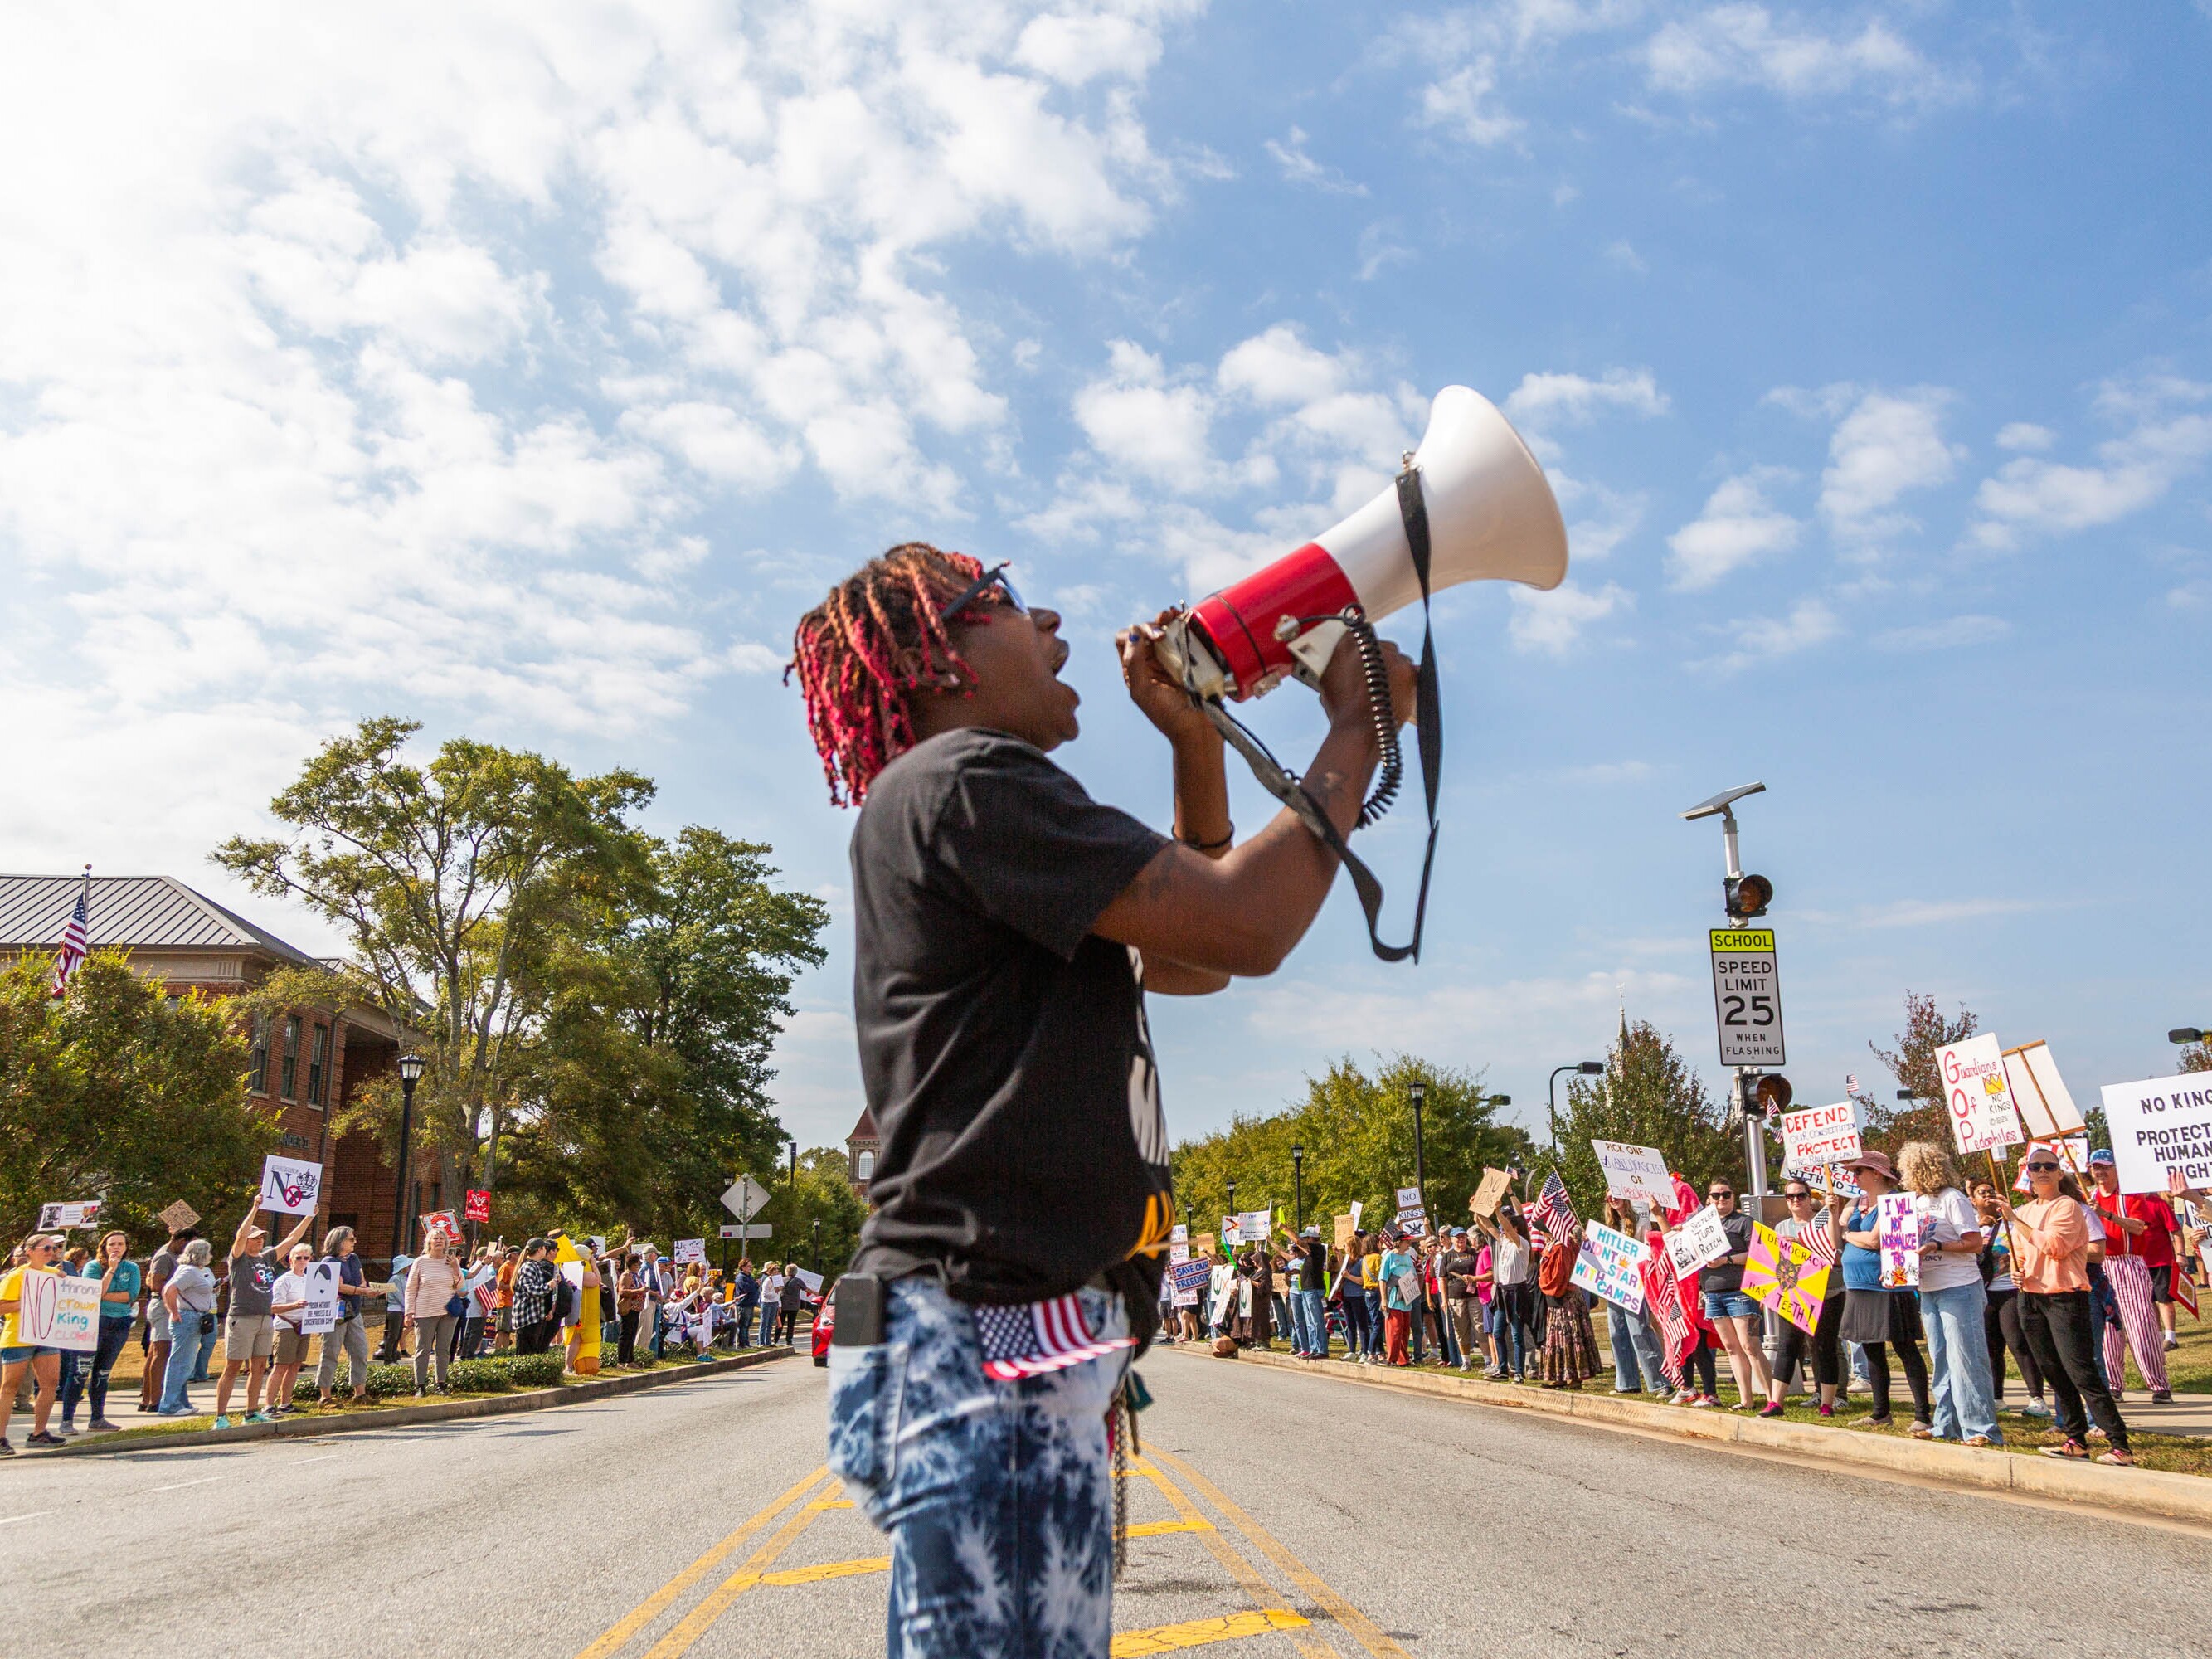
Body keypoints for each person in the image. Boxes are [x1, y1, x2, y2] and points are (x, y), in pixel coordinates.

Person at [802, 542, 1414, 1659]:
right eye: (1003, 603)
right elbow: (1244, 923)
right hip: (983, 1329)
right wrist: (1357, 728)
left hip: (986, 1328)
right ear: (941, 660)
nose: (1050, 621)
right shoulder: (967, 779)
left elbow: (1194, 960)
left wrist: (1194, 743)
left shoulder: (969, 803)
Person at [1995, 1152, 2132, 1465]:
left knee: (2081, 1371)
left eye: (2049, 1167)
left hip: (2064, 1296)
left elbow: (2054, 1247)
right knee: (2052, 1371)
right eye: (2035, 1166)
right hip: (2030, 1297)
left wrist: (2016, 1220)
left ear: (2059, 1174)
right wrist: (2016, 1269)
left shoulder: (2068, 1207)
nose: (2042, 1171)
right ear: (2027, 1173)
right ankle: (2076, 1439)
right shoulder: (2025, 1210)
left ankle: (2119, 1444)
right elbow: (2021, 1253)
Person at [1897, 1142, 2003, 1447]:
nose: (1906, 1175)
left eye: (1908, 1169)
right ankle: (1946, 1424)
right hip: (1928, 1288)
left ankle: (1981, 1427)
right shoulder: (1915, 1203)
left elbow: (1974, 1243)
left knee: (1966, 1359)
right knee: (1941, 1359)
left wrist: (1938, 1246)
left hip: (1959, 1286)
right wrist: (1896, 1268)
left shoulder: (1953, 1199)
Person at [1837, 1151, 1932, 1434]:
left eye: (1858, 1172)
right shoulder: (1856, 1203)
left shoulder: (1897, 1202)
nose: (1854, 1177)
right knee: (1871, 1348)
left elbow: (1874, 1240)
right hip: (1858, 1285)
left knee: (1904, 1348)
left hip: (1889, 1284)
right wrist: (1835, 1213)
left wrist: (1847, 1236)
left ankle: (1922, 1413)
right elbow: (1837, 1233)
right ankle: (1880, 1412)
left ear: (1876, 1174)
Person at [215, 1197, 317, 1429]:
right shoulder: (239, 1260)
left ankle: (251, 1412)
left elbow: (291, 1240)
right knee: (232, 1366)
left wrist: (309, 1216)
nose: (260, 1241)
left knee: (259, 1366)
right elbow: (240, 1237)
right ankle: (221, 1416)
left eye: (261, 1237)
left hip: (265, 1318)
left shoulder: (267, 1258)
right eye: (255, 1238)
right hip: (242, 1318)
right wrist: (255, 1207)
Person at [2085, 1148, 2177, 1400]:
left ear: (2116, 1169)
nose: (2100, 1172)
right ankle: (2114, 1384)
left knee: (2140, 1324)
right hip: (2101, 1265)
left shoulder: (2129, 1196)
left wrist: (2106, 1215)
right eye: (2096, 1168)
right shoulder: (2088, 1197)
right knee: (2107, 1328)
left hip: (2129, 1263)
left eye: (2105, 1167)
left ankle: (2158, 1385)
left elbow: (2139, 1227)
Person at [1685, 1179, 1771, 1409]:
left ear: (1734, 1197)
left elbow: (1757, 1254)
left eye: (1726, 1194)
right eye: (1716, 1195)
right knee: (1732, 1348)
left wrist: (1727, 1260)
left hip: (1740, 1292)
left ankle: (1773, 1400)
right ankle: (1746, 1400)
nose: (1721, 1199)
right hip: (1712, 1293)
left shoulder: (1744, 1222)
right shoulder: (1697, 1225)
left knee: (1750, 1346)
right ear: (1708, 1200)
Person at [1764, 1183, 1846, 1418]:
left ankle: (1827, 1404)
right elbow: (1775, 1261)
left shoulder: (1824, 1220)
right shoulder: (1781, 1226)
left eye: (1801, 1195)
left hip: (1828, 1291)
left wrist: (1832, 1213)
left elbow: (1834, 1248)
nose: (1796, 1200)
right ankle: (1775, 1403)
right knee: (1787, 1346)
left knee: (1825, 1346)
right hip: (1793, 1293)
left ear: (1810, 1198)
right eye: (1790, 1196)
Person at [1971, 1180, 2051, 1418]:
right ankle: (1996, 1397)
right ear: (1973, 1200)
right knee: (1991, 1348)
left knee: (2018, 1343)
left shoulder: (2011, 1223)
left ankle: (2037, 1397)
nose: (1987, 1196)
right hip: (1984, 1292)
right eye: (1981, 1193)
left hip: (2009, 1291)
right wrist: (1977, 1227)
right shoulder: (1971, 1225)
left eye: (1991, 1192)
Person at [58, 1230, 139, 1433]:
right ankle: (67, 1420)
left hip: (120, 1323)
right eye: (112, 1244)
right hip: (94, 1322)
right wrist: (111, 1271)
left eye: (121, 1244)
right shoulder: (94, 1267)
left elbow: (131, 1295)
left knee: (102, 1372)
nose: (116, 1248)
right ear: (104, 1246)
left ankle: (97, 1418)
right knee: (80, 1372)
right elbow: (93, 1293)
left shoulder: (132, 1267)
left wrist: (107, 1295)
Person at [0, 1233, 68, 1452]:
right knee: (10, 1387)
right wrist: (28, 1300)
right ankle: (1, 1437)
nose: (51, 1252)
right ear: (29, 1251)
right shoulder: (16, 1276)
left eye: (53, 1248)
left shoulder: (55, 1275)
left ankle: (39, 1433)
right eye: (45, 1248)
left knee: (50, 1382)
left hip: (46, 1334)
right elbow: (2, 1307)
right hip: (18, 1336)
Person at [158, 1238, 219, 1415]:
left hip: (196, 1317)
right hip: (188, 1318)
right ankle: (169, 1405)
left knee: (187, 1363)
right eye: (208, 1252)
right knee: (180, 1362)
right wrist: (174, 1312)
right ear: (201, 1254)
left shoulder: (193, 1271)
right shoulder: (189, 1272)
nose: (211, 1256)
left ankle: (182, 1402)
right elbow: (169, 1289)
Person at [403, 1226, 466, 1395]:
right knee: (422, 1349)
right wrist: (409, 1312)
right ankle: (420, 1386)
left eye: (441, 1238)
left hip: (448, 1312)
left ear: (446, 1242)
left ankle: (441, 1384)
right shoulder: (420, 1262)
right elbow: (410, 1289)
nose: (438, 1241)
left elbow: (460, 1286)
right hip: (425, 1311)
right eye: (435, 1238)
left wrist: (454, 1268)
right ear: (428, 1242)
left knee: (444, 1349)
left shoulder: (451, 1261)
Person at [315, 1225, 372, 1408]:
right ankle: (325, 1396)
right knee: (330, 1352)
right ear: (339, 1241)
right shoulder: (330, 1261)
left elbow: (361, 1278)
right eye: (351, 1239)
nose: (354, 1241)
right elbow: (337, 1286)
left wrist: (366, 1288)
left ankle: (360, 1393)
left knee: (360, 1351)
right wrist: (361, 1291)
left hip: (354, 1311)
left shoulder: (354, 1259)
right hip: (335, 1313)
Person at [1477, 1209, 1535, 1382]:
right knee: (1497, 1332)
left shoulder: (1522, 1244)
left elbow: (1507, 1229)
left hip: (1517, 1291)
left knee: (1517, 1334)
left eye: (1508, 1227)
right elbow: (1488, 1226)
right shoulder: (1503, 1241)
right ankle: (1502, 1369)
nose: (1502, 1230)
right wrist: (1479, 1209)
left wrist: (1496, 1210)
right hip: (1502, 1291)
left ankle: (1519, 1372)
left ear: (1516, 1228)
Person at [139, 1225, 190, 1414]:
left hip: (165, 1305)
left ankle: (147, 1399)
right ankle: (154, 1400)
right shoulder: (164, 1256)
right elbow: (155, 1283)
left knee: (155, 1352)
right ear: (182, 1242)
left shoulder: (169, 1255)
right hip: (162, 1305)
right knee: (161, 1352)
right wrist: (174, 1294)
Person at [267, 1242, 314, 1415]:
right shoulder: (283, 1281)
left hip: (305, 1325)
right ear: (290, 1260)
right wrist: (294, 1305)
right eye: (298, 1257)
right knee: (281, 1366)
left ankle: (286, 1403)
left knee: (295, 1366)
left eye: (306, 1258)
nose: (302, 1261)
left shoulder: (311, 1280)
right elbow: (273, 1307)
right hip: (286, 1326)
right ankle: (268, 1405)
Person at [510, 1239, 557, 1355]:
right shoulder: (528, 1267)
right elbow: (529, 1289)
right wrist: (548, 1286)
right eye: (545, 1248)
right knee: (525, 1353)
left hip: (535, 1315)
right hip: (527, 1317)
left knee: (532, 1351)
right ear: (540, 1249)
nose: (546, 1250)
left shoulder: (535, 1266)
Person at [1329, 1233, 1370, 1363]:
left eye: (1346, 1246)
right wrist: (1338, 1255)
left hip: (1358, 1296)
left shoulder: (1362, 1261)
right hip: (1347, 1296)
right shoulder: (1348, 1260)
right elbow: (1343, 1268)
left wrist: (1349, 1277)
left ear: (1352, 1247)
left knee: (1361, 1324)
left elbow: (1363, 1280)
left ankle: (1365, 1351)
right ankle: (1351, 1350)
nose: (1344, 1248)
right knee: (1350, 1324)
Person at [1378, 1231, 1417, 1366]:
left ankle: (1403, 1359)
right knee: (1395, 1329)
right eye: (1406, 1241)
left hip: (1406, 1298)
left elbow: (1413, 1275)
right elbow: (1382, 1279)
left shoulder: (1408, 1257)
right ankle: (1391, 1359)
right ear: (1399, 1242)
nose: (1409, 1244)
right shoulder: (1389, 1257)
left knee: (1405, 1330)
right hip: (1393, 1298)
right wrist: (1384, 1300)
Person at [377, 1248, 414, 1363]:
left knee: (397, 1335)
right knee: (393, 1335)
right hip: (395, 1310)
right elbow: (399, 1296)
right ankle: (388, 1359)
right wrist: (409, 1307)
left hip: (401, 1310)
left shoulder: (403, 1278)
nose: (408, 1268)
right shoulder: (396, 1279)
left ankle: (393, 1357)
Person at [777, 1265, 806, 1346]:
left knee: (780, 1323)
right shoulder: (798, 1281)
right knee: (791, 1324)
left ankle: (775, 1339)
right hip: (794, 1306)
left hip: (783, 1305)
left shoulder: (781, 1280)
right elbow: (806, 1289)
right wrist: (815, 1293)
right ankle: (789, 1340)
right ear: (796, 1272)